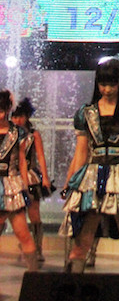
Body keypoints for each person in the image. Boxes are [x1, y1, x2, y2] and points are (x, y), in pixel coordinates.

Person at [60, 55, 119, 292]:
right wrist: (70, 183)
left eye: (112, 84)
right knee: (80, 246)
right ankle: (71, 293)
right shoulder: (86, 113)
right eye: (102, 84)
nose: (107, 89)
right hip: (90, 179)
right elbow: (81, 152)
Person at [0, 89, 39, 271]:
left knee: (23, 233)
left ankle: (34, 276)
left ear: (8, 109)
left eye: (2, 110)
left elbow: (22, 161)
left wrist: (25, 185)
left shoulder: (17, 132)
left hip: (11, 187)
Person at [11, 97, 53, 263]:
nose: (17, 120)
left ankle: (38, 248)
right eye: (14, 116)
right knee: (16, 215)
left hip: (31, 176)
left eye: (20, 116)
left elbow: (40, 156)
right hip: (13, 178)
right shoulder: (9, 134)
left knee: (34, 213)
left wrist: (45, 177)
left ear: (27, 116)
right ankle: (26, 245)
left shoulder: (33, 135)